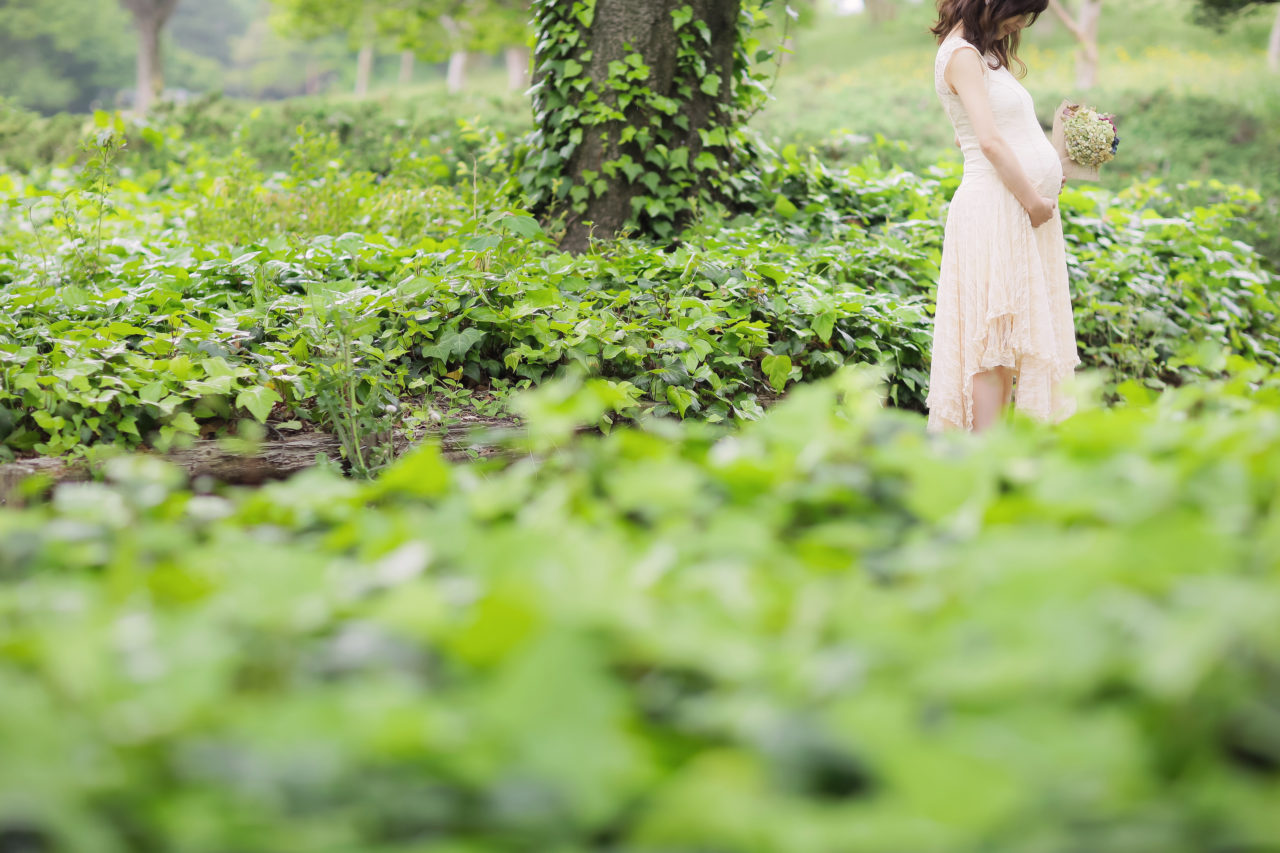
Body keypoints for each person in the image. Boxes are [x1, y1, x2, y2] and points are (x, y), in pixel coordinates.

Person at [925, 0, 1082, 434]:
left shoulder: (986, 55)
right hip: (997, 212)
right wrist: (1033, 199)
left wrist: (1054, 157)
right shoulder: (960, 56)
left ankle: (1002, 458)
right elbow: (989, 143)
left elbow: (978, 133)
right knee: (991, 346)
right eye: (1019, 13)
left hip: (1018, 209)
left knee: (1012, 347)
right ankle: (983, 457)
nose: (1021, 24)